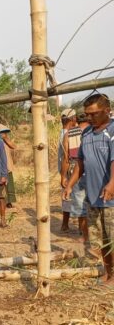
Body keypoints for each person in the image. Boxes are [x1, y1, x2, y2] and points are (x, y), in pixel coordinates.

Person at [65, 93, 114, 284]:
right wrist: (70, 184)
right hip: (94, 196)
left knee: (112, 238)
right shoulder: (86, 134)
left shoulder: (112, 131)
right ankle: (107, 272)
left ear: (107, 111)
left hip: (111, 197)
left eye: (94, 114)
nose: (90, 118)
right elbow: (80, 163)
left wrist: (111, 183)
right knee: (101, 239)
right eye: (87, 115)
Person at [60, 112, 90, 243]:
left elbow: (66, 158)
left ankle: (83, 233)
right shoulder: (94, 131)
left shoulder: (69, 134)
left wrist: (63, 177)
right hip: (94, 171)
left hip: (75, 172)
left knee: (80, 204)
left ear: (76, 119)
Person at [0, 124, 17, 208]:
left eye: (4, 133)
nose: (2, 134)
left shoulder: (6, 141)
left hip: (8, 165)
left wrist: (6, 139)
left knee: (9, 184)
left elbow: (14, 146)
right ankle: (0, 202)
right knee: (0, 185)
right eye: (1, 133)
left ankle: (9, 202)